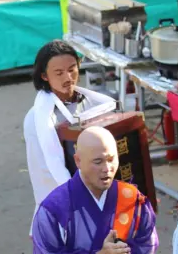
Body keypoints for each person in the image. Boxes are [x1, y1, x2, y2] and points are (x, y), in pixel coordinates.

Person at [31, 126, 158, 254]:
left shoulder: (132, 200)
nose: (107, 169)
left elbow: (147, 246)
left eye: (111, 159)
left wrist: (122, 253)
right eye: (98, 162)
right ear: (78, 161)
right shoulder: (55, 210)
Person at [23, 40, 116, 229]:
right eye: (58, 73)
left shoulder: (92, 104)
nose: (68, 77)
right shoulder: (37, 118)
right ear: (44, 76)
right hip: (64, 205)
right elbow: (48, 169)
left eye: (72, 69)